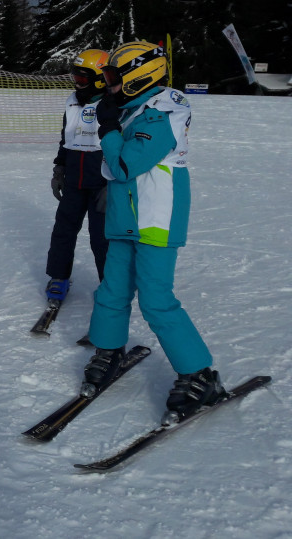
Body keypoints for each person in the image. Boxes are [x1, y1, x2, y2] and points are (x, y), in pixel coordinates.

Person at [81, 40, 225, 425]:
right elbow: (112, 169)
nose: (107, 84)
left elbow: (125, 165)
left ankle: (200, 375)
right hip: (126, 214)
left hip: (156, 218)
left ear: (138, 76)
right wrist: (112, 134)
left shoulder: (161, 113)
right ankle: (109, 349)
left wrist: (109, 130)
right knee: (112, 290)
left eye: (113, 76)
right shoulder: (133, 109)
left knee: (156, 300)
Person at [44, 49, 110, 305]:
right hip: (74, 179)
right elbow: (67, 138)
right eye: (75, 77)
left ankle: (110, 285)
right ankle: (59, 277)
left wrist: (112, 183)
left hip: (101, 182)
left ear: (100, 79)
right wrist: (59, 168)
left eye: (82, 79)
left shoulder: (113, 104)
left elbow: (122, 146)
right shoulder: (72, 101)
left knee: (102, 238)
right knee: (63, 230)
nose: (77, 83)